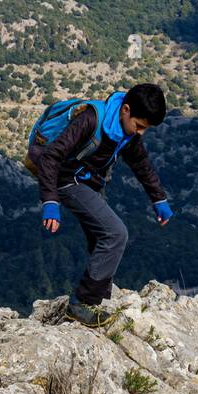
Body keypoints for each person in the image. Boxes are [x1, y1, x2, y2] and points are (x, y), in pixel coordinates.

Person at [28, 84, 173, 326]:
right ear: (125, 109)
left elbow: (141, 164)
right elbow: (51, 157)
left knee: (100, 237)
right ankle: (82, 304)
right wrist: (50, 201)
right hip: (65, 181)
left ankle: (99, 291)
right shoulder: (91, 120)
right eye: (139, 126)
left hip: (87, 181)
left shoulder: (126, 132)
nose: (140, 133)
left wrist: (159, 198)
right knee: (116, 234)